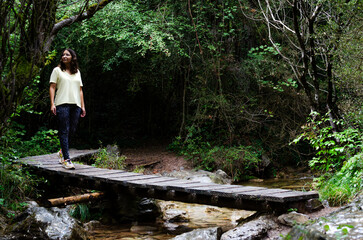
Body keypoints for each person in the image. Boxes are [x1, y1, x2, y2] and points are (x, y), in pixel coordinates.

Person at [49, 48, 86, 169]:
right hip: (62, 103)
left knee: (72, 130)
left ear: (72, 57)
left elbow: (80, 90)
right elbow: (52, 87)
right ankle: (66, 159)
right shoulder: (57, 70)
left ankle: (61, 152)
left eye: (67, 54)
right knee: (64, 130)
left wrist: (83, 106)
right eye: (63, 54)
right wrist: (52, 104)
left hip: (76, 105)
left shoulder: (77, 72)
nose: (64, 56)